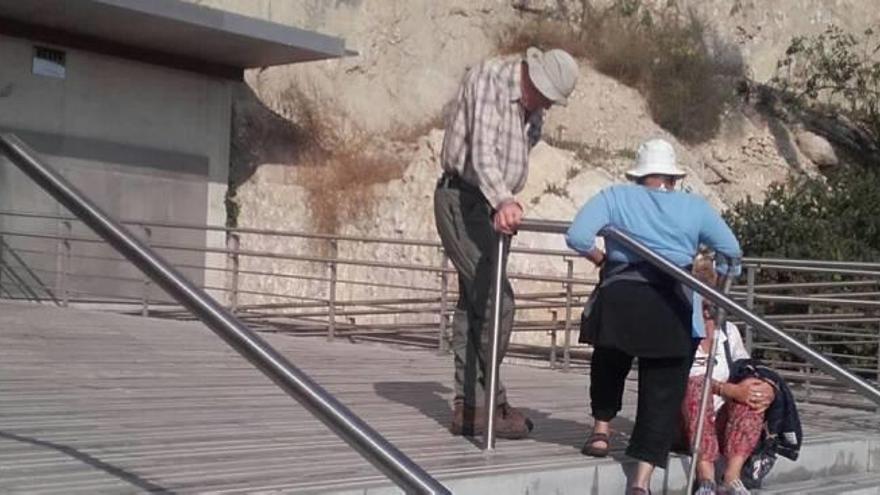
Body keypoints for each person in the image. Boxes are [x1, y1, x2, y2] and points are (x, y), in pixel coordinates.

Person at [565, 138, 742, 494]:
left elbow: (577, 235)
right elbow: (731, 250)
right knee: (662, 392)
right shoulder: (694, 207)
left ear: (638, 175)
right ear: (673, 178)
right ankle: (640, 482)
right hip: (671, 304)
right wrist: (719, 284)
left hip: (621, 299)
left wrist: (603, 260)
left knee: (609, 361)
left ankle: (601, 431)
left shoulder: (615, 197)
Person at [434, 46, 579, 438]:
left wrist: (504, 201)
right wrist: (503, 198)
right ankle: (488, 402)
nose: (547, 105)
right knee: (499, 301)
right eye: (546, 96)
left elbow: (521, 149)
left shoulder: (532, 110)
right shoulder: (490, 79)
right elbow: (481, 154)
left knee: (474, 303)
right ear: (532, 77)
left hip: (492, 208)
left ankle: (472, 406)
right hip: (463, 198)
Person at [684, 259, 776, 495]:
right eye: (701, 303)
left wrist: (762, 387)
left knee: (752, 394)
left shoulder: (729, 332)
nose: (707, 310)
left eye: (711, 303)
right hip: (685, 421)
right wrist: (730, 390)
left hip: (722, 421)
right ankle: (705, 477)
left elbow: (746, 368)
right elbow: (686, 381)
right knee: (695, 388)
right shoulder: (680, 331)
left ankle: (731, 476)